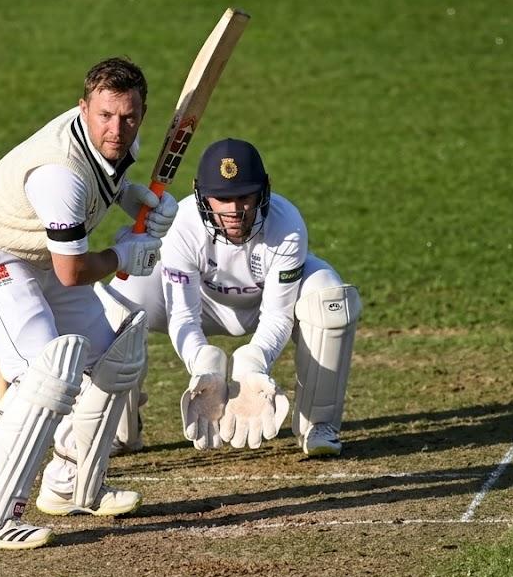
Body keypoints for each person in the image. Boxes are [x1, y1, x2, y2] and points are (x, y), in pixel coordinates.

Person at [0, 57, 178, 549]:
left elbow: (103, 182)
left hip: (37, 253)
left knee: (116, 357)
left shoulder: (120, 140)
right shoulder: (59, 174)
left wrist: (130, 196)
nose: (116, 129)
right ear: (83, 108)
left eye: (128, 117)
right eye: (104, 116)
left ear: (141, 114)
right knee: (45, 376)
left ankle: (71, 484)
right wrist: (121, 255)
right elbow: (73, 271)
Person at [106, 137, 361, 457]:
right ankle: (119, 429)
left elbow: (278, 314)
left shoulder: (287, 224)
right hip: (202, 304)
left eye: (244, 197)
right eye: (223, 199)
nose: (235, 210)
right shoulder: (183, 224)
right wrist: (202, 362)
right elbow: (183, 316)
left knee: (329, 300)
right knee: (118, 304)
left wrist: (253, 362)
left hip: (263, 303)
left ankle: (319, 426)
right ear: (203, 196)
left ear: (263, 192)